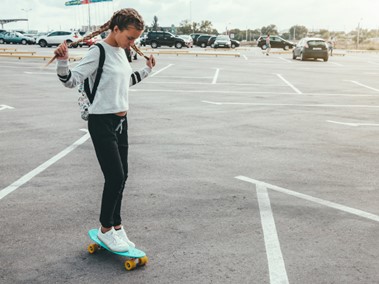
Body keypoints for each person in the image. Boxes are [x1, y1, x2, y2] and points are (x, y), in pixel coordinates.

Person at [54, 8, 156, 252]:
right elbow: (70, 80)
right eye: (130, 37)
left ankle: (117, 227)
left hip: (122, 122)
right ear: (116, 29)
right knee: (115, 176)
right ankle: (105, 229)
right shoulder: (98, 51)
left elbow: (125, 82)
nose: (133, 43)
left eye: (136, 39)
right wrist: (62, 62)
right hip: (101, 122)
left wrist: (147, 70)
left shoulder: (121, 51)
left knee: (123, 176)